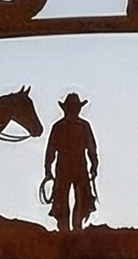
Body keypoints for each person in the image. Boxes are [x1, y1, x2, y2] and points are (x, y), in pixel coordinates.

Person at [41, 92, 98, 231]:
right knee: (62, 199)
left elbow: (91, 148)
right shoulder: (62, 127)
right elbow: (51, 150)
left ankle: (76, 226)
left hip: (77, 166)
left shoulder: (81, 126)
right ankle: (65, 228)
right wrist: (48, 169)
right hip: (66, 167)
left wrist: (94, 164)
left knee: (80, 198)